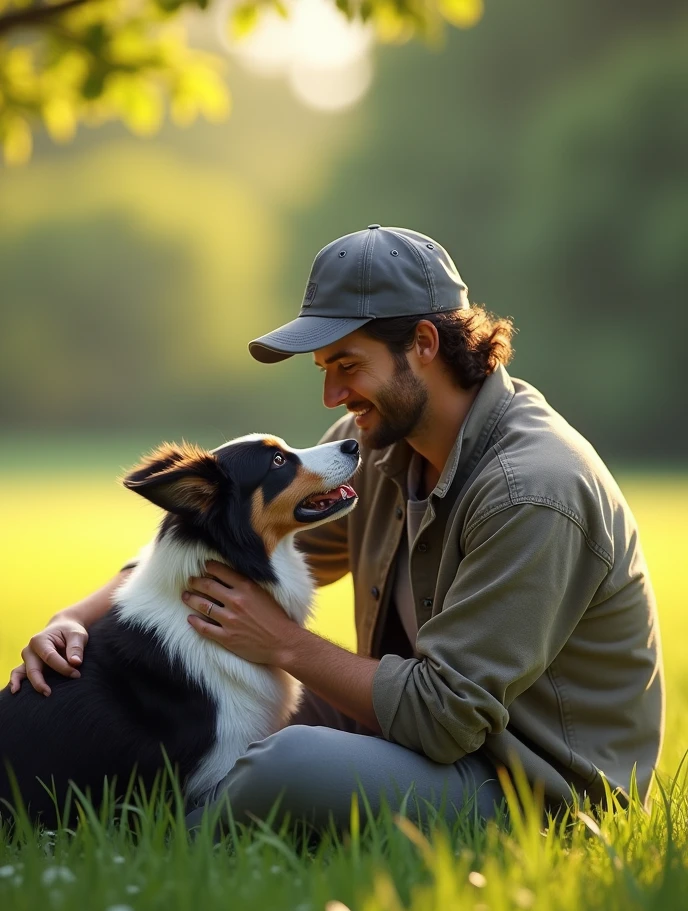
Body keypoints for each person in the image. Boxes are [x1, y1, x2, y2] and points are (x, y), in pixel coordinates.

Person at [10, 225, 664, 831]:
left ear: (425, 345)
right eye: (323, 368)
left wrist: (285, 644)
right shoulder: (380, 443)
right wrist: (74, 620)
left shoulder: (532, 491)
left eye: (347, 366)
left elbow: (446, 717)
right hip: (417, 728)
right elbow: (225, 556)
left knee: (283, 762)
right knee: (211, 709)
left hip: (531, 787)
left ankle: (145, 841)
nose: (331, 396)